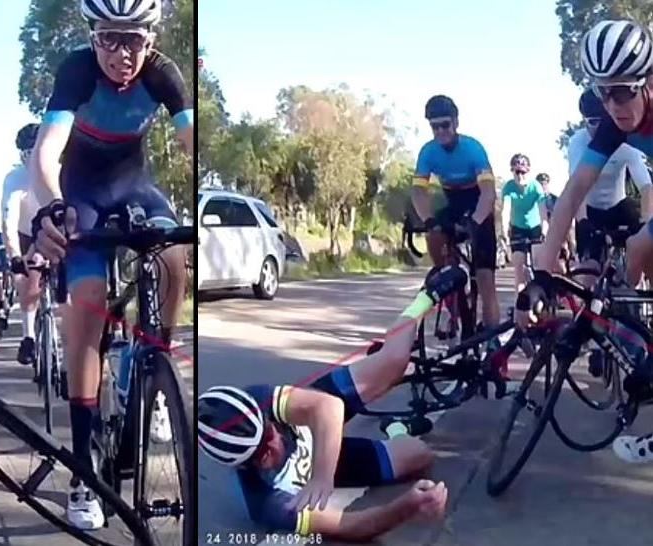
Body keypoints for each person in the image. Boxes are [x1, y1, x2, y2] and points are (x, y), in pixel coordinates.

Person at [29, 0, 193, 530]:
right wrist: (53, 207)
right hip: (82, 191)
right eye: (108, 39)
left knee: (174, 254)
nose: (122, 54)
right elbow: (47, 152)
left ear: (153, 37)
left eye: (134, 40)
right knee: (90, 304)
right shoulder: (76, 71)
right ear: (92, 36)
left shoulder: (165, 73)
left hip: (134, 185)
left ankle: (154, 369)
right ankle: (83, 473)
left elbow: (195, 144)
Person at [197, 266, 465, 541]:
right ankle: (396, 428)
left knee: (395, 361)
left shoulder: (259, 399)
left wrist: (321, 478)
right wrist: (407, 506)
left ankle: (423, 298)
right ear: (246, 465)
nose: (275, 443)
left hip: (313, 418)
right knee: (420, 456)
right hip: (333, 462)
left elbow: (329, 407)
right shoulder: (265, 502)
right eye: (265, 452)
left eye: (270, 432)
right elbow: (349, 526)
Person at [532, 19, 653, 465]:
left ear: (647, 81)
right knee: (640, 247)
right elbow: (570, 196)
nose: (613, 104)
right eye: (603, 92)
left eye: (622, 91)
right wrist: (542, 275)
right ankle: (639, 336)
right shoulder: (611, 125)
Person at [410, 94, 500, 346]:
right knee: (434, 233)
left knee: (485, 279)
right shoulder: (428, 152)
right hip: (453, 202)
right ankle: (447, 281)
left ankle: (493, 342)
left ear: (456, 123)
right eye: (434, 126)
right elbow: (418, 191)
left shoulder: (473, 148)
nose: (440, 131)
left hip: (478, 202)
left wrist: (477, 220)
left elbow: (488, 193)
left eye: (445, 125)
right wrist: (427, 219)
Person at [568, 88, 653, 288]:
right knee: (588, 273)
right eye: (592, 122)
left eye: (604, 120)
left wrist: (646, 220)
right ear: (584, 121)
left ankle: (633, 293)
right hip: (589, 209)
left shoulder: (625, 142)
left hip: (618, 206)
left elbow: (647, 186)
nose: (600, 128)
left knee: (646, 250)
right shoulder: (578, 143)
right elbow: (576, 189)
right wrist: (582, 221)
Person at [2, 123, 45, 366]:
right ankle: (28, 336)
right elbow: (8, 219)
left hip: (54, 230)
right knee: (30, 282)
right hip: (25, 233)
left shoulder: (62, 171)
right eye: (26, 154)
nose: (31, 159)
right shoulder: (15, 178)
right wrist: (16, 256)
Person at [500, 153, 549, 293]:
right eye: (517, 172)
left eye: (523, 172)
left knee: (539, 266)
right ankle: (520, 303)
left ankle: (543, 295)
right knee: (519, 268)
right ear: (512, 172)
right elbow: (505, 211)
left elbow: (543, 214)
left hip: (535, 228)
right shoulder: (509, 187)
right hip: (518, 228)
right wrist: (504, 233)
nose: (520, 176)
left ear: (529, 171)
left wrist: (544, 232)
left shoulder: (536, 187)